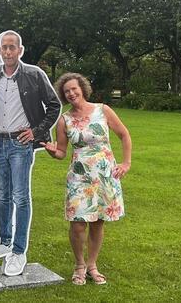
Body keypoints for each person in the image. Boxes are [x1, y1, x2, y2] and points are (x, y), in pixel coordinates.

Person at [0, 30, 61, 276]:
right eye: (3, 47)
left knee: (20, 197)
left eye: (12, 47)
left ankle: (18, 251)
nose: (7, 51)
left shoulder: (34, 74)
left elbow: (54, 105)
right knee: (2, 195)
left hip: (20, 145)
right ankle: (3, 241)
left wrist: (36, 132)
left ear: (20, 50)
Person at [43, 73, 132, 286]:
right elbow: (62, 152)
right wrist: (51, 151)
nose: (71, 93)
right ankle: (79, 265)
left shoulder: (103, 110)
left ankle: (92, 265)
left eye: (74, 89)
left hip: (104, 175)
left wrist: (126, 163)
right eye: (67, 92)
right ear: (64, 96)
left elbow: (124, 135)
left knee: (98, 221)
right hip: (79, 176)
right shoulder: (65, 120)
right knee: (77, 224)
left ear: (82, 88)